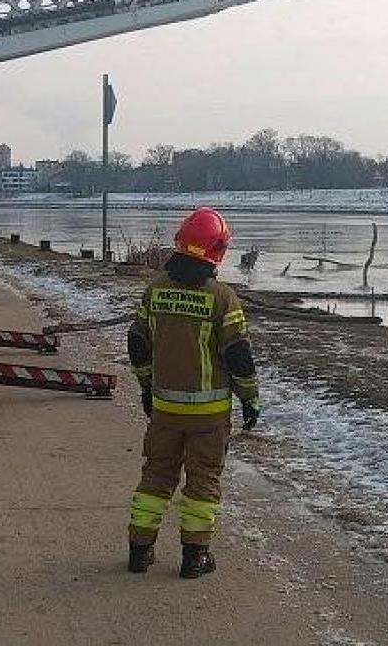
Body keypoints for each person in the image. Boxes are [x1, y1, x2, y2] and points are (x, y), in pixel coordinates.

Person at [125, 207, 260, 578]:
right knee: (202, 484)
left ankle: (139, 552)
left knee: (156, 476)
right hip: (210, 415)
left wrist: (147, 386)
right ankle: (194, 558)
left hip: (165, 408)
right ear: (218, 251)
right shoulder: (223, 298)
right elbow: (239, 356)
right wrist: (250, 398)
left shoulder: (155, 290)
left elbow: (137, 342)